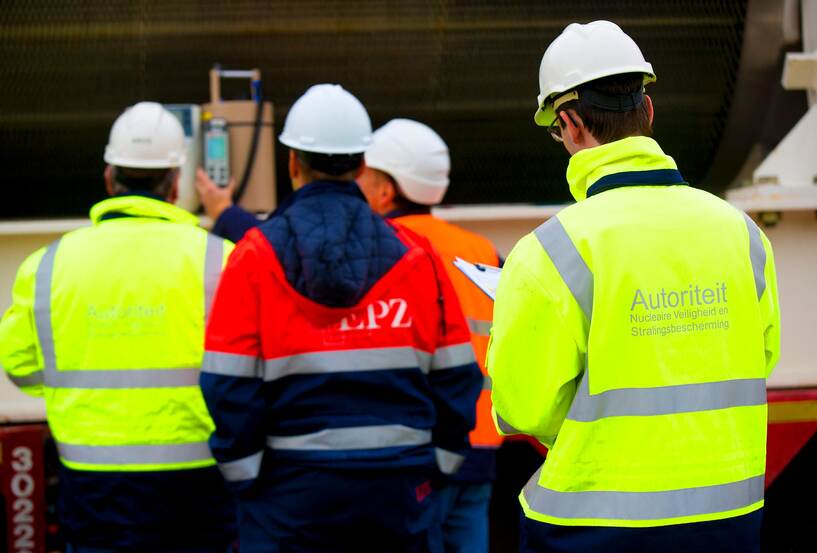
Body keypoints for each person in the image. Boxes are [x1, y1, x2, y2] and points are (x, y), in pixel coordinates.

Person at [486, 20, 780, 553]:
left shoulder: (551, 250)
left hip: (593, 529)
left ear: (570, 124)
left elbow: (522, 409)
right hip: (729, 519)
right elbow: (758, 358)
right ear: (648, 111)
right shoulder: (741, 232)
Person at [199, 84, 481, 552]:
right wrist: (440, 465)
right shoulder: (416, 257)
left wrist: (246, 476)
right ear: (363, 165)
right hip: (400, 494)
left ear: (292, 163)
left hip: (287, 497)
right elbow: (455, 377)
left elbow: (227, 384)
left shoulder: (253, 257)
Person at [0, 102, 236, 553]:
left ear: (110, 177)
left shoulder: (46, 266)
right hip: (198, 487)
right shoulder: (221, 259)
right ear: (175, 184)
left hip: (92, 489)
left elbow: (22, 370)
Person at [356, 119, 502, 553]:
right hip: (480, 447)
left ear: (385, 191)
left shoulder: (381, 247)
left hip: (416, 449)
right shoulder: (481, 250)